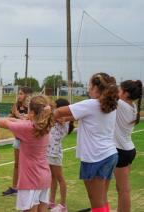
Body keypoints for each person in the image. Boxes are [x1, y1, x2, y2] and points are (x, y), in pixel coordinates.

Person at [54, 73, 119, 212]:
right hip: (109, 155)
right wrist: (67, 119)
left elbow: (59, 112)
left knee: (96, 202)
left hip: (95, 158)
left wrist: (39, 120)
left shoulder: (91, 104)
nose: (88, 88)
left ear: (96, 87)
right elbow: (87, 116)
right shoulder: (110, 105)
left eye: (90, 85)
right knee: (102, 199)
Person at [0, 95, 54, 211]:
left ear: (32, 113)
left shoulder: (27, 128)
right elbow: (17, 121)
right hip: (44, 177)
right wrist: (18, 118)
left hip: (30, 179)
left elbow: (3, 123)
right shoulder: (45, 125)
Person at [114, 80, 142, 212]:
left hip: (122, 152)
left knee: (123, 190)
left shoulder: (120, 104)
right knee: (121, 189)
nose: (117, 92)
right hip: (128, 150)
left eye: (120, 90)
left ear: (125, 94)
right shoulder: (133, 106)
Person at [2, 86, 32, 196]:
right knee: (17, 165)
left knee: (27, 165)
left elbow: (29, 122)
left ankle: (27, 187)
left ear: (27, 95)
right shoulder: (16, 106)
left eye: (21, 93)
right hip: (18, 140)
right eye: (18, 93)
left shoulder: (31, 107)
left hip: (28, 141)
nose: (19, 96)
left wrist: (18, 116)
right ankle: (15, 188)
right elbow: (9, 118)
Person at [47, 99, 74, 211]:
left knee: (60, 178)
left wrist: (58, 118)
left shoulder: (65, 121)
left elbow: (60, 121)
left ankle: (63, 205)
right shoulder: (56, 118)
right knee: (52, 178)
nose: (55, 110)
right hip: (48, 152)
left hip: (54, 153)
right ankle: (51, 201)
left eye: (56, 108)